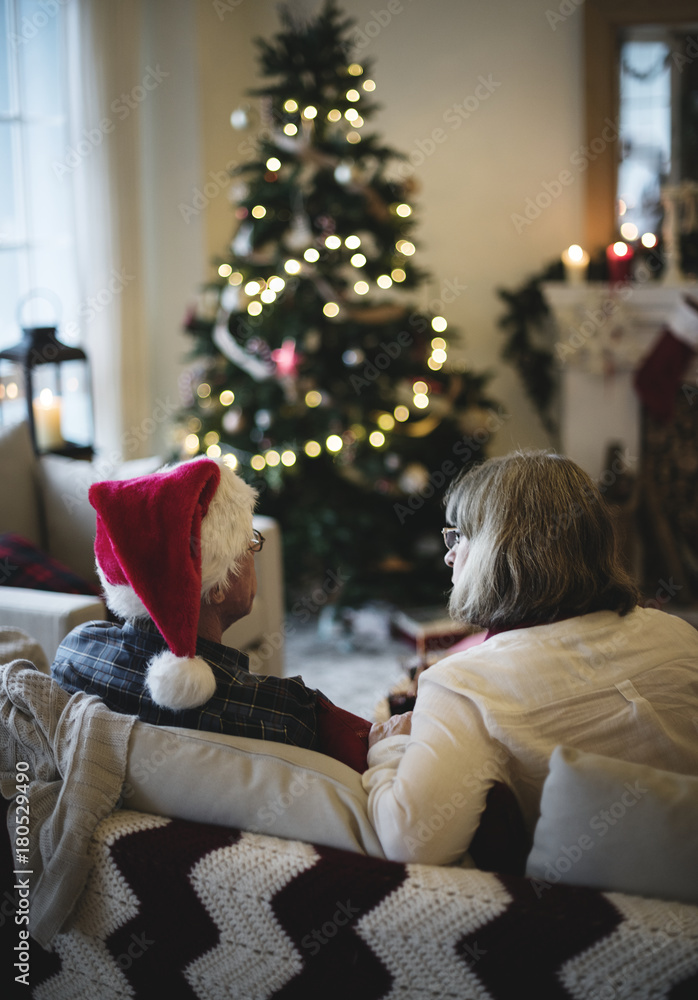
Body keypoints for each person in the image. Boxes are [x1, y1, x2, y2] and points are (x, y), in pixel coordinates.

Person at [362, 450, 698, 865]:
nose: (450, 554)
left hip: (593, 915)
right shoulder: (678, 634)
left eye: (460, 536)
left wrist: (390, 749)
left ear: (497, 551)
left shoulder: (462, 685)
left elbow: (409, 845)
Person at [51, 455, 319, 749]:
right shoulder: (287, 712)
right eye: (250, 541)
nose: (255, 550)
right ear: (216, 587)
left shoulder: (74, 656)